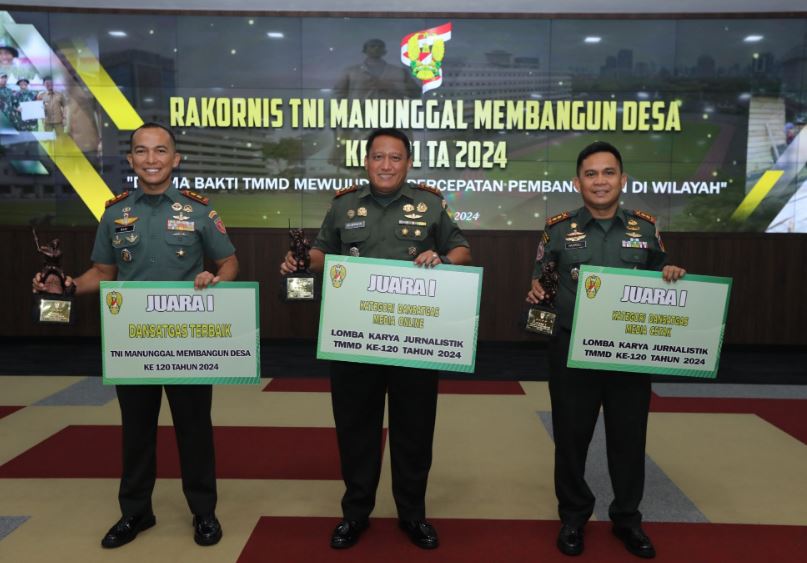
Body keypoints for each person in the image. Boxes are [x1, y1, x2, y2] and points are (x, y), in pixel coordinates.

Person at [32, 122, 238, 549]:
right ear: (130, 160)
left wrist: (215, 279)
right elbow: (102, 273)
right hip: (134, 340)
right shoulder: (115, 213)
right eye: (141, 151)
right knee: (136, 429)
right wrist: (66, 286)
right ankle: (136, 512)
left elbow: (229, 263)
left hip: (188, 341)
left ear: (175, 159)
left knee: (194, 428)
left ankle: (204, 511)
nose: (151, 159)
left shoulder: (199, 211)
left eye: (160, 151)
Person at [280, 128, 471, 550]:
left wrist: (441, 257)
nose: (386, 165)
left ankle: (412, 514)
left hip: (415, 340)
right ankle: (355, 513)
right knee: (355, 429)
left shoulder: (430, 204)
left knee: (414, 431)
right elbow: (323, 252)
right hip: (355, 338)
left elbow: (462, 250)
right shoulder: (344, 205)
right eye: (378, 157)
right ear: (366, 162)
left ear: (408, 163)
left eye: (395, 158)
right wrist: (301, 260)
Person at [526, 141, 685, 559]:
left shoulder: (645, 229)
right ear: (577, 182)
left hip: (628, 353)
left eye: (608, 172)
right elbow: (542, 281)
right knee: (571, 439)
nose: (600, 181)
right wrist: (537, 291)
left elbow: (661, 276)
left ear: (623, 179)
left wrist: (671, 274)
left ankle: (627, 519)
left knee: (629, 439)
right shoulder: (558, 229)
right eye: (591, 174)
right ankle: (573, 517)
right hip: (571, 351)